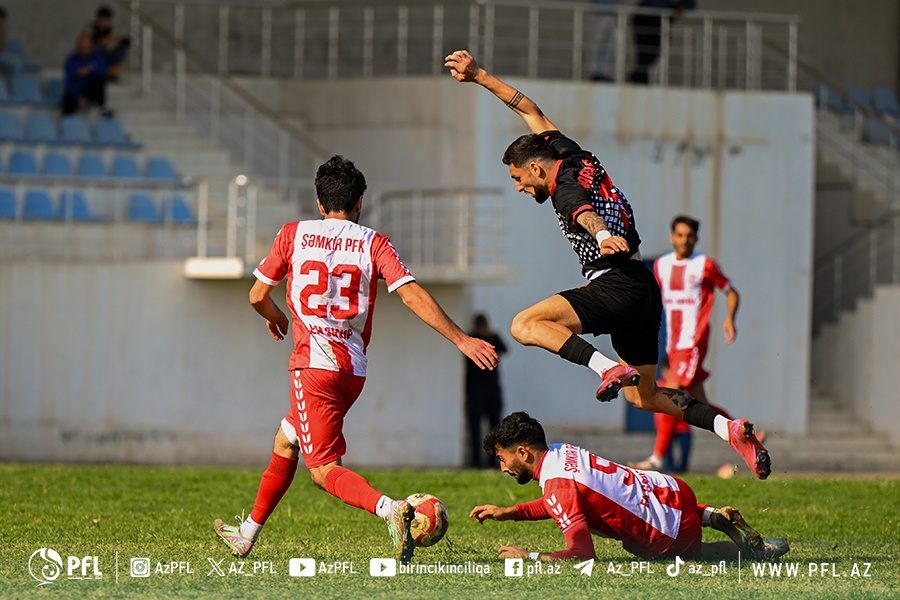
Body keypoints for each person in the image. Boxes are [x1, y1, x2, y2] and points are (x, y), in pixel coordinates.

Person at [443, 49, 771, 479]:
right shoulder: (571, 153)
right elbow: (530, 109)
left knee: (525, 325)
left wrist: (600, 233)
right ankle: (730, 429)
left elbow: (580, 210)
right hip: (643, 285)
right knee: (645, 397)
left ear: (537, 169)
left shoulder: (561, 189)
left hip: (615, 282)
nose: (519, 187)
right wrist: (481, 76)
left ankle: (606, 367)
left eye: (518, 178)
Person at [213, 156, 498, 565]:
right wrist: (461, 339)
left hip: (313, 367)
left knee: (324, 470)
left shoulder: (293, 234)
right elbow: (411, 293)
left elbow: (257, 295)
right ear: (360, 201)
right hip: (352, 371)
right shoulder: (374, 242)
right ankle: (248, 533)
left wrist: (277, 317)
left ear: (318, 200)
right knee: (286, 439)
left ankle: (391, 509)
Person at [470, 412, 789, 561]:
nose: (503, 468)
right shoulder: (561, 452)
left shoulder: (557, 487)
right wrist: (510, 512)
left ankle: (751, 554)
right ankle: (711, 516)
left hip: (669, 532)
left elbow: (582, 554)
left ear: (523, 453)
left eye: (503, 458)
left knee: (681, 555)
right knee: (640, 504)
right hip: (672, 491)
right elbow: (563, 503)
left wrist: (529, 556)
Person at [630, 215, 739, 472]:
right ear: (672, 237)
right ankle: (744, 436)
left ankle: (657, 458)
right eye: (679, 235)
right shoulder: (661, 265)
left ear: (696, 239)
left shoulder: (704, 265)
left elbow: (732, 291)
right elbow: (653, 298)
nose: (684, 240)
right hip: (673, 345)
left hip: (693, 342)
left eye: (689, 236)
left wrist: (729, 320)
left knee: (669, 392)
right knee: (702, 405)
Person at [465, 313, 508, 468]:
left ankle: (493, 462)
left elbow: (505, 349)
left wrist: (490, 337)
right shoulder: (471, 339)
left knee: (495, 429)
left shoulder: (493, 337)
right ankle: (476, 462)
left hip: (492, 391)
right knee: (475, 429)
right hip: (475, 391)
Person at [629, 0, 696, 85]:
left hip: (659, 24)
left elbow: (690, 8)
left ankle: (639, 76)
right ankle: (640, 77)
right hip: (645, 20)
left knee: (651, 53)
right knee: (644, 53)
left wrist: (680, 8)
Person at [61, 31, 110, 116]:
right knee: (68, 98)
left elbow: (103, 71)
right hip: (78, 91)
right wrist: (79, 97)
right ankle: (67, 121)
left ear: (92, 45)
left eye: (88, 44)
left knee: (99, 79)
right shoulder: (71, 59)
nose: (85, 46)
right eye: (83, 44)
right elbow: (70, 81)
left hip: (91, 90)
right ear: (78, 45)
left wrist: (89, 70)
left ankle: (101, 107)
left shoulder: (97, 57)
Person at [91, 5, 130, 81]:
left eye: (106, 20)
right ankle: (98, 72)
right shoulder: (91, 29)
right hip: (93, 59)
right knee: (96, 47)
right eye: (102, 19)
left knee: (124, 46)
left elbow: (113, 45)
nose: (104, 22)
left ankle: (112, 73)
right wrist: (109, 41)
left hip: (107, 59)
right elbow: (90, 43)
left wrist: (118, 41)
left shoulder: (111, 31)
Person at [588, 0, 618, 82]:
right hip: (599, 12)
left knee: (608, 46)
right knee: (596, 45)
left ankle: (604, 72)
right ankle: (595, 72)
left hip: (611, 13)